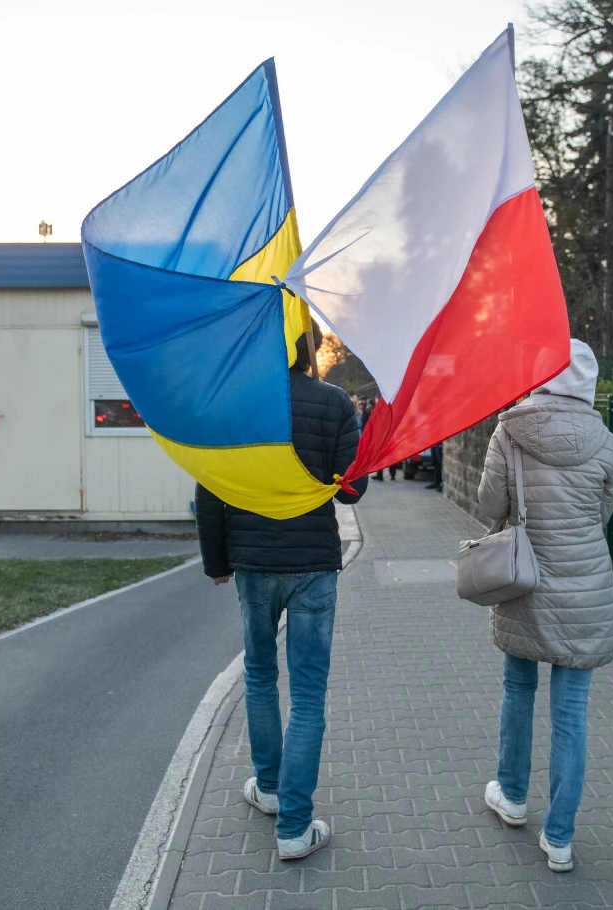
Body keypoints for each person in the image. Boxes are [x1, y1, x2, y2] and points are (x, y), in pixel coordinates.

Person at [194, 323, 368, 862]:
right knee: (309, 693)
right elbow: (353, 490)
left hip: (254, 563)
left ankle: (268, 788)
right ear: (305, 344)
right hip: (313, 563)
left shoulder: (236, 404)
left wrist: (217, 561)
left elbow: (210, 488)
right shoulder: (334, 403)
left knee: (260, 675)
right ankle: (294, 826)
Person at [475, 338, 613, 873]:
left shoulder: (509, 430)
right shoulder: (606, 441)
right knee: (572, 713)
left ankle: (512, 796)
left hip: (524, 581)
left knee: (518, 689)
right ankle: (559, 837)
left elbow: (489, 505)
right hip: (586, 588)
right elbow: (602, 514)